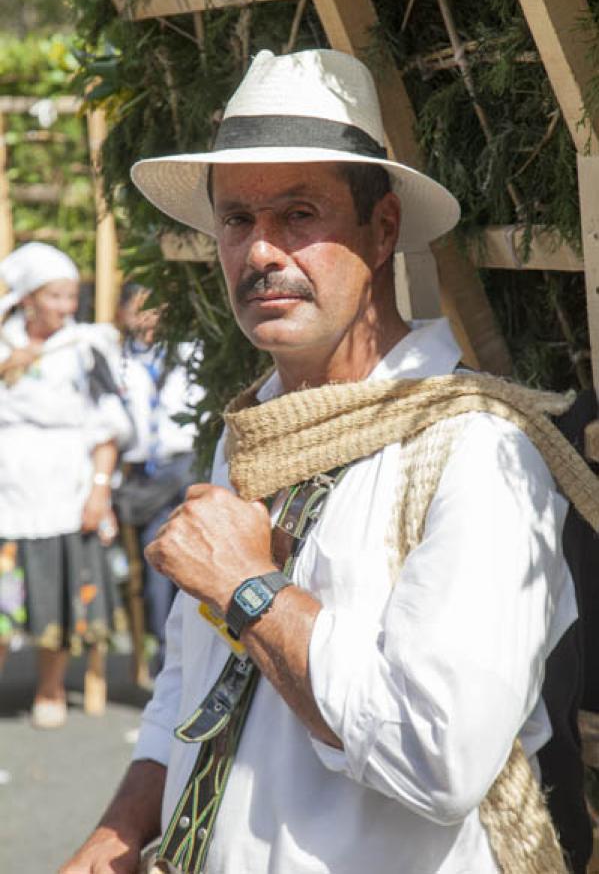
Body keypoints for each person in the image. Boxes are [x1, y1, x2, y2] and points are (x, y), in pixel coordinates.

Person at [61, 49, 596, 873]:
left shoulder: (473, 448)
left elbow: (439, 757)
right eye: (237, 221)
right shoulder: (254, 431)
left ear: (381, 231)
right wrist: (124, 826)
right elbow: (189, 682)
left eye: (298, 214)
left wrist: (249, 590)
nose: (262, 252)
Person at [0, 241, 132, 728]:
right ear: (29, 297)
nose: (66, 307)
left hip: (63, 489)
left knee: (56, 591)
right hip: (6, 491)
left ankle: (51, 687)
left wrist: (100, 488)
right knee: (1, 598)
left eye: (71, 296)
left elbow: (108, 426)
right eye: (55, 296)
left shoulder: (85, 349)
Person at [114, 282, 204, 673]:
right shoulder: (117, 360)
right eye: (139, 310)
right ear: (122, 314)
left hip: (185, 464)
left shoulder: (191, 352)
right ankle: (165, 650)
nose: (148, 319)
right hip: (146, 476)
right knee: (159, 561)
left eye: (155, 310)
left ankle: (189, 652)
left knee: (192, 557)